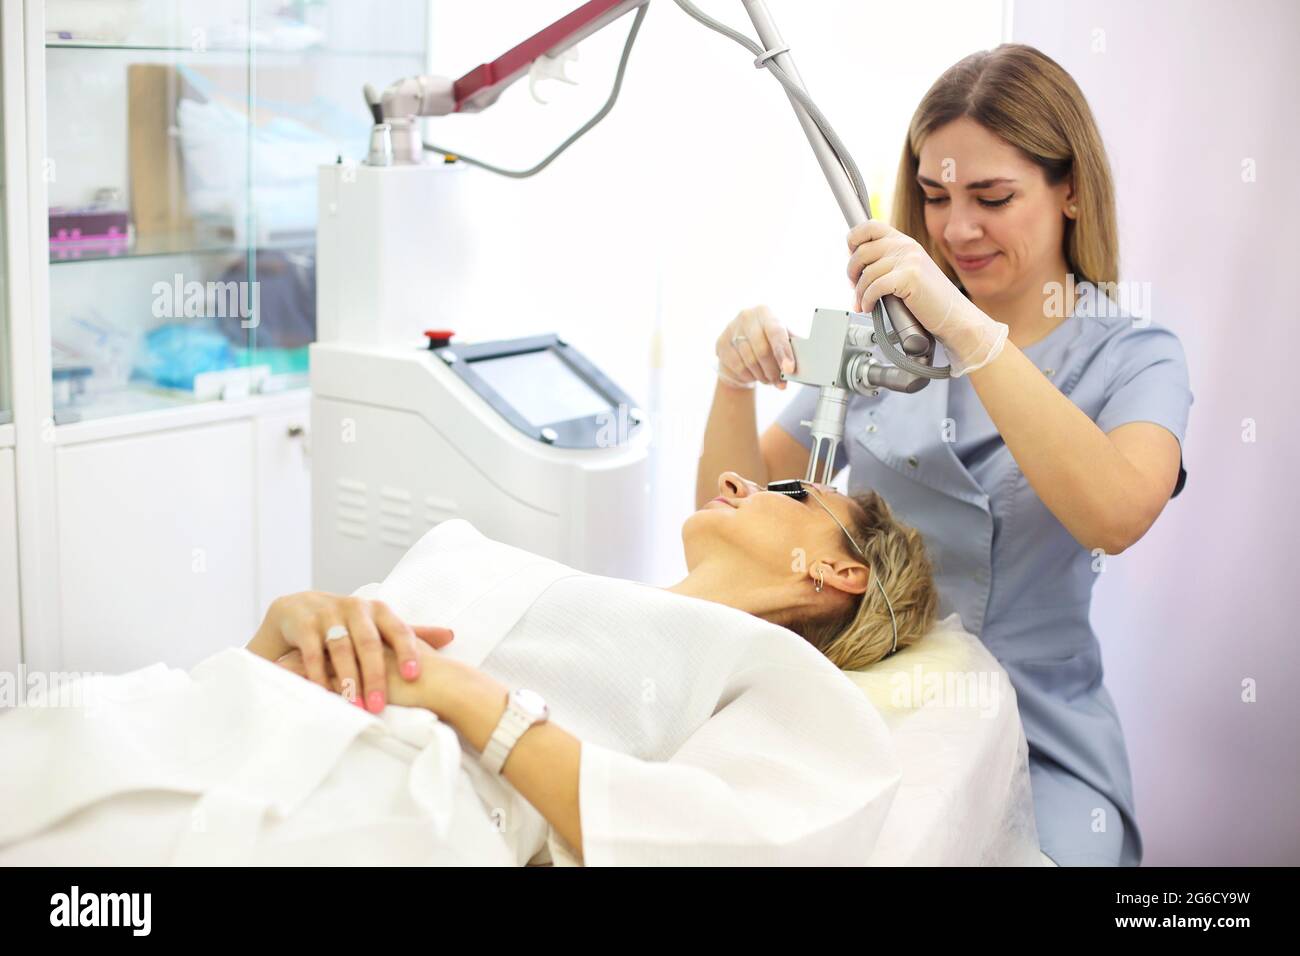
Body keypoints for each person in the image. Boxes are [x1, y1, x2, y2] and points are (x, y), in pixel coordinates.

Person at [697, 44, 1192, 866]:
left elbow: (1115, 514)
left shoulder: (1137, 355)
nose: (956, 230)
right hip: (870, 705)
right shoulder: (884, 338)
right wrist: (730, 381)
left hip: (1041, 737)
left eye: (992, 197)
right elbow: (733, 512)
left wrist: (965, 329)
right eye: (933, 197)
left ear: (1071, 189)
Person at [2, 473, 955, 866]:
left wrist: (459, 697)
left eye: (793, 492)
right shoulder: (580, 588)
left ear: (839, 569)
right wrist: (281, 631)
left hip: (380, 810)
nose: (744, 479)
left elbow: (729, 844)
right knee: (58, 751)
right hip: (231, 712)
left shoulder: (779, 678)